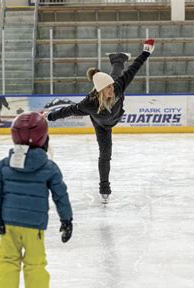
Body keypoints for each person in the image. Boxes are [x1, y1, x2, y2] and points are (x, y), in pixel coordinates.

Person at [45, 39, 155, 202]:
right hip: (102, 126)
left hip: (114, 116)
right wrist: (49, 116)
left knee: (117, 76)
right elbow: (68, 110)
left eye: (111, 87)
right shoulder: (89, 103)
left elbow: (134, 69)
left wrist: (146, 51)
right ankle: (104, 187)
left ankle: (118, 58)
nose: (112, 89)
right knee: (105, 154)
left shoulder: (117, 87)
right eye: (108, 88)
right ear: (100, 90)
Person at [0, 111, 73, 288]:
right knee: (35, 262)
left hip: (9, 224)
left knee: (7, 258)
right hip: (34, 225)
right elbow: (60, 195)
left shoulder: (4, 164)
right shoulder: (49, 167)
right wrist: (66, 220)